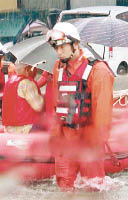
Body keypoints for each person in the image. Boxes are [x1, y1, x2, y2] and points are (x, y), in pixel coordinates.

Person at [47, 22, 114, 190]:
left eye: (62, 46)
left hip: (89, 139)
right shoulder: (58, 68)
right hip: (65, 138)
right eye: (56, 47)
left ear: (75, 44)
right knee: (65, 185)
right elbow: (56, 103)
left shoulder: (98, 71)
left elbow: (103, 113)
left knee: (93, 187)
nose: (59, 51)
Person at [2, 62, 44, 134]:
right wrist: (45, 97)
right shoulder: (27, 83)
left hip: (9, 129)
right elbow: (38, 106)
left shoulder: (9, 81)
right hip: (26, 128)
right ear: (28, 69)